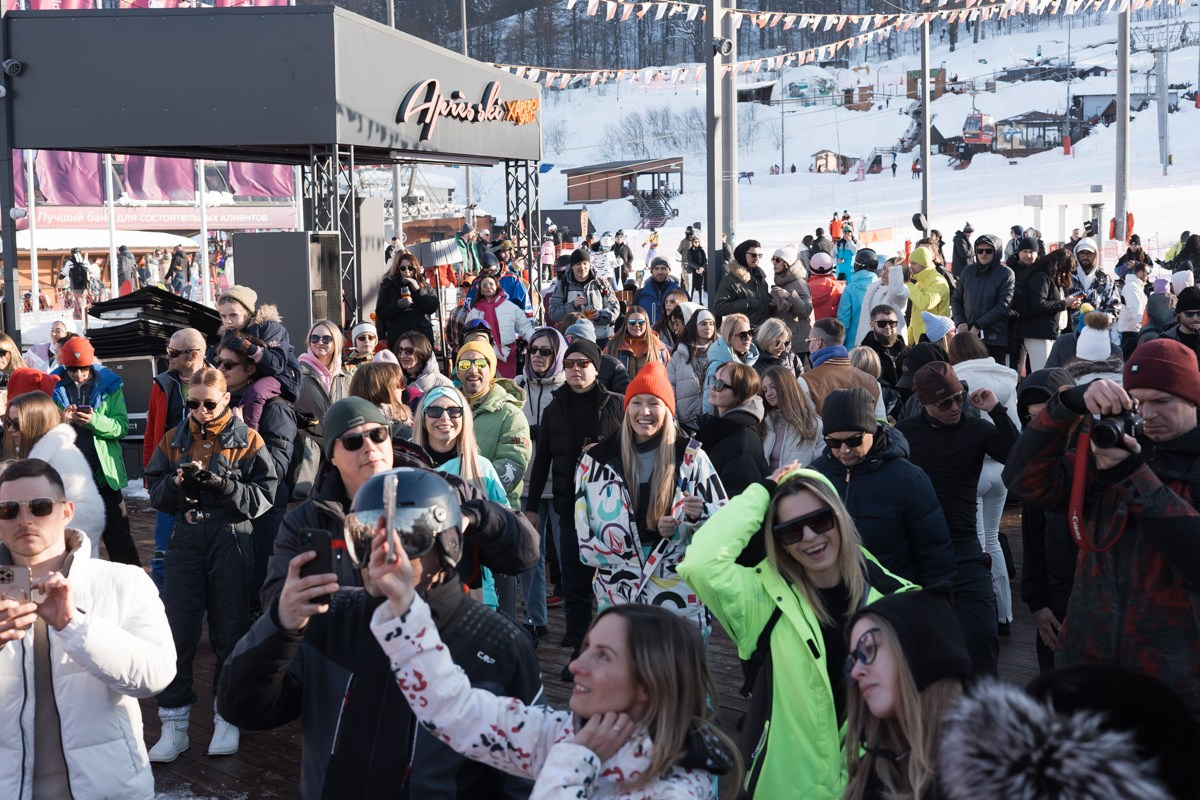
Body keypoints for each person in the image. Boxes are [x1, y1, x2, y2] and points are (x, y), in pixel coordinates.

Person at [370, 520, 741, 798]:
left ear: (650, 682)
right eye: (586, 648)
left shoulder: (675, 789)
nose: (576, 666)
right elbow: (457, 711)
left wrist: (576, 761)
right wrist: (403, 605)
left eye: (603, 656)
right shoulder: (565, 732)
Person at [679, 467, 914, 799]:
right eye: (791, 531)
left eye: (820, 520)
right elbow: (700, 564)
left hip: (870, 785)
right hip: (783, 789)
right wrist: (763, 491)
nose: (809, 537)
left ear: (840, 517)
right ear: (780, 543)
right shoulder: (762, 601)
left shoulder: (897, 601)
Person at [1004, 339, 1200, 716]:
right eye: (1138, 402)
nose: (1148, 414)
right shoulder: (1111, 451)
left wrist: (1132, 476)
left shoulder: (1126, 463)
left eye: (1162, 401)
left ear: (1192, 399)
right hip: (1089, 672)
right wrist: (1066, 405)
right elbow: (1022, 482)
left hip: (1175, 687)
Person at [0, 458, 175, 800]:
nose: (25, 519)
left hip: (108, 788)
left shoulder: (122, 581)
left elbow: (157, 675)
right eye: (8, 510)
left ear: (66, 512)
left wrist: (76, 626)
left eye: (40, 506)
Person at [144, 366, 277, 761]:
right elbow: (154, 489)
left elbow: (264, 496)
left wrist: (223, 485)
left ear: (226, 400)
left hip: (230, 537)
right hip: (185, 538)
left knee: (230, 629)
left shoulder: (248, 439)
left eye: (209, 404)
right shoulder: (174, 437)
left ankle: (226, 715)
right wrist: (176, 484)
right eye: (193, 403)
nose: (200, 411)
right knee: (178, 631)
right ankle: (174, 723)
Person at [575, 361, 727, 637]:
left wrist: (694, 518)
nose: (644, 412)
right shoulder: (596, 461)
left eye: (654, 403)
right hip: (619, 588)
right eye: (637, 402)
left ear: (668, 410)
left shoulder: (692, 458)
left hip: (677, 592)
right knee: (623, 661)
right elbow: (583, 527)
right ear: (627, 408)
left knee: (675, 663)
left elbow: (724, 524)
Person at [896, 363, 1019, 676]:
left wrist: (997, 410)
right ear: (924, 403)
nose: (955, 407)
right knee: (923, 647)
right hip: (918, 550)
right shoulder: (906, 435)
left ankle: (984, 702)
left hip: (964, 547)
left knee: (982, 637)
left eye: (959, 398)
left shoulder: (977, 430)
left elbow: (1016, 456)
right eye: (945, 403)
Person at [524, 338, 624, 676]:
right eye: (570, 364)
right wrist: (533, 506)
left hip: (611, 510)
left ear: (596, 368)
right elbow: (542, 461)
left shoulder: (616, 404)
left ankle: (616, 650)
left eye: (583, 363)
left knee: (613, 584)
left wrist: (603, 449)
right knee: (575, 586)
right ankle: (580, 650)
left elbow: (631, 451)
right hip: (570, 511)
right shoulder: (555, 409)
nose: (576, 369)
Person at [810, 387, 955, 587]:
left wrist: (934, 599)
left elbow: (935, 552)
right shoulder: (814, 476)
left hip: (892, 598)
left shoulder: (908, 479)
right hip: (832, 596)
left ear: (871, 430)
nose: (844, 450)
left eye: (853, 440)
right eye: (833, 442)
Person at [843, 588, 970, 800]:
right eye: (853, 659)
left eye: (869, 649)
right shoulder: (871, 780)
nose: (856, 672)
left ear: (920, 653)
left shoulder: (997, 779)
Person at [948, 333, 1021, 633]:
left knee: (978, 544)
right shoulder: (1007, 377)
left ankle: (986, 613)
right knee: (993, 540)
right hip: (1001, 469)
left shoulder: (957, 379)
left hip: (973, 468)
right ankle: (1005, 614)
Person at [455, 340, 531, 621]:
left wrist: (472, 500)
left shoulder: (509, 414)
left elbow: (514, 464)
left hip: (497, 519)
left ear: (492, 367)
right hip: (455, 521)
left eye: (480, 363)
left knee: (501, 609)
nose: (472, 370)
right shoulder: (449, 408)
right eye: (465, 364)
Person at [49, 336, 140, 567]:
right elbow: (45, 428)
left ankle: (132, 581)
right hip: (69, 477)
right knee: (71, 538)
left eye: (83, 369)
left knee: (119, 538)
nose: (78, 374)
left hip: (103, 474)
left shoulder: (111, 385)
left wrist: (94, 421)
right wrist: (62, 421)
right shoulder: (53, 386)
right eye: (72, 369)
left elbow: (121, 427)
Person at [1013, 367, 1078, 672]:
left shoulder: (1101, 455)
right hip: (1056, 604)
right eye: (1034, 419)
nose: (1045, 426)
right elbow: (1032, 538)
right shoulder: (1037, 470)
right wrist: (1037, 604)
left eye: (1051, 416)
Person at [5, 391, 105, 553]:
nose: (10, 429)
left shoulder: (63, 457)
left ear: (35, 423)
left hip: (60, 560)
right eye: (8, 422)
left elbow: (90, 514)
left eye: (17, 423)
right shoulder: (36, 455)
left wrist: (52, 549)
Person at [515, 326, 567, 642]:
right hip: (526, 483)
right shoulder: (516, 387)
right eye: (532, 349)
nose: (537, 356)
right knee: (531, 555)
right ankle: (535, 618)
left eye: (546, 351)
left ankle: (578, 626)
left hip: (559, 484)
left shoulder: (568, 388)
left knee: (567, 556)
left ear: (557, 354)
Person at [698, 361, 768, 503]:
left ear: (740, 393)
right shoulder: (726, 428)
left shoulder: (741, 441)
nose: (712, 387)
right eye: (714, 380)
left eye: (720, 385)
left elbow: (738, 501)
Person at [951, 233, 1015, 364]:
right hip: (968, 337)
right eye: (980, 250)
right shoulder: (967, 271)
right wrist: (960, 321)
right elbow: (956, 299)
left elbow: (1003, 306)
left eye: (988, 251)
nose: (983, 254)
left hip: (994, 338)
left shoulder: (1006, 273)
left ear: (996, 252)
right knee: (966, 373)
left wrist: (978, 325)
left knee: (992, 375)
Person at [1015, 247, 1081, 373]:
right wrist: (1064, 303)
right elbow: (1038, 305)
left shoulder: (1052, 279)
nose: (1067, 274)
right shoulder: (1041, 277)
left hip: (1051, 333)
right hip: (1039, 334)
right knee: (1043, 374)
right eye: (1066, 270)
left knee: (1050, 374)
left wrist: (1068, 305)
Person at [802, 318, 880, 415]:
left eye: (809, 341)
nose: (808, 345)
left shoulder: (806, 381)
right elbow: (880, 421)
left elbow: (807, 422)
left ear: (818, 342)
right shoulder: (872, 381)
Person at [466, 270, 535, 379]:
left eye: (491, 284)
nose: (488, 287)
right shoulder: (474, 312)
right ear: (481, 291)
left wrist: (536, 341)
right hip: (483, 357)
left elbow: (525, 327)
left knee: (508, 385)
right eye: (484, 285)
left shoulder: (510, 307)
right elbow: (468, 335)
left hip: (508, 354)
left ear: (497, 286)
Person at [549, 249, 620, 347]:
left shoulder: (600, 282)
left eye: (585, 263)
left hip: (599, 339)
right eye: (578, 264)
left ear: (589, 264)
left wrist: (600, 315)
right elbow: (553, 313)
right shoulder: (564, 284)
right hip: (573, 340)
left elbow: (614, 307)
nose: (582, 267)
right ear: (572, 266)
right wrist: (573, 306)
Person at [668, 305, 719, 432]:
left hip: (714, 420)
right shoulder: (679, 354)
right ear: (694, 326)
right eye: (703, 324)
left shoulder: (721, 352)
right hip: (686, 423)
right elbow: (670, 387)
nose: (708, 327)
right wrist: (674, 420)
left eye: (711, 324)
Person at [762, 365, 822, 470]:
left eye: (773, 386)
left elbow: (821, 465)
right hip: (769, 481)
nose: (768, 393)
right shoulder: (765, 423)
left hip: (800, 480)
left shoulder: (814, 424)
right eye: (765, 390)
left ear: (787, 385)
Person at [377, 251, 440, 349]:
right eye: (403, 268)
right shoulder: (389, 285)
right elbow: (381, 313)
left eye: (410, 268)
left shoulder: (425, 285)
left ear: (416, 269)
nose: (407, 271)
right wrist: (398, 305)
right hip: (399, 337)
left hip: (422, 337)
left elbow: (432, 307)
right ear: (398, 270)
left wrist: (417, 289)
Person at [297, 319, 351, 434]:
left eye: (326, 339)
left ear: (336, 342)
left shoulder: (347, 378)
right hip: (309, 442)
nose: (320, 342)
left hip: (340, 441)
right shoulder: (298, 375)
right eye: (314, 338)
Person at [702, 312, 759, 414]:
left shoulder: (750, 361)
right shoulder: (717, 366)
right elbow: (710, 402)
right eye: (742, 335)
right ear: (729, 336)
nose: (748, 338)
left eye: (750, 333)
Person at [769, 245, 814, 364]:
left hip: (797, 340)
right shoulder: (782, 280)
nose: (774, 262)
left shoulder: (800, 283)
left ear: (787, 263)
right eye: (772, 259)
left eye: (778, 260)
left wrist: (789, 296)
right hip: (785, 337)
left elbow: (806, 311)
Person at [347, 360, 413, 441]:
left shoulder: (344, 432)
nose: (403, 388)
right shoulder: (406, 435)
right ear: (384, 391)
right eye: (400, 384)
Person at [564, 316, 631, 394]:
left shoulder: (613, 366)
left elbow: (626, 395)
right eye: (567, 339)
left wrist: (606, 398)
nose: (568, 343)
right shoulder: (566, 363)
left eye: (570, 339)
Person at [716, 239, 772, 327]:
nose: (757, 258)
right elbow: (720, 307)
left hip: (764, 329)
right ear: (742, 255)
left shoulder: (759, 277)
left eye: (759, 255)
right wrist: (746, 304)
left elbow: (762, 301)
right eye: (753, 255)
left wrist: (772, 301)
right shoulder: (731, 280)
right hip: (744, 331)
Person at [854, 260, 909, 348]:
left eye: (890, 270)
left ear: (898, 273)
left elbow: (896, 292)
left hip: (890, 339)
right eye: (884, 268)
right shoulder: (874, 287)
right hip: (871, 338)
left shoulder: (902, 290)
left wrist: (896, 268)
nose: (885, 272)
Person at [606, 305, 669, 381]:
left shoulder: (659, 348)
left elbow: (668, 375)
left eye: (641, 322)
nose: (636, 325)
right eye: (632, 322)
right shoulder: (613, 346)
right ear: (626, 324)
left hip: (650, 388)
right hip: (622, 388)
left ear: (647, 323)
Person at [1069, 237, 1120, 329]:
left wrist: (1099, 320)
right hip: (1071, 331)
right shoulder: (1068, 277)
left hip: (1098, 331)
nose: (1085, 257)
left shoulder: (1105, 279)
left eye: (1089, 253)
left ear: (1095, 255)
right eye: (1082, 253)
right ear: (1076, 255)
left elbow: (1115, 307)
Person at [906, 246, 952, 346]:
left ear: (924, 263)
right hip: (921, 342)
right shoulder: (918, 284)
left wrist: (907, 283)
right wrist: (908, 342)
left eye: (913, 263)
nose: (910, 266)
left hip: (936, 341)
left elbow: (925, 304)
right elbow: (914, 319)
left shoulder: (938, 281)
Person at [858, 304, 909, 391]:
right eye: (882, 323)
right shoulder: (864, 355)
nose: (888, 327)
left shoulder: (907, 351)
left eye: (892, 323)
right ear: (872, 324)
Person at [395, 331, 454, 398]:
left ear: (422, 352)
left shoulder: (443, 385)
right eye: (400, 350)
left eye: (408, 351)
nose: (402, 355)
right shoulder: (394, 383)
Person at [837, 249, 879, 342]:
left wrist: (840, 343)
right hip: (877, 342)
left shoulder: (850, 289)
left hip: (854, 342)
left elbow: (843, 320)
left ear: (856, 266)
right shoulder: (880, 287)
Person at [634, 257, 681, 326]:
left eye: (663, 268)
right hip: (647, 332)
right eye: (656, 268)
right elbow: (633, 317)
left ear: (669, 270)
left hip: (672, 332)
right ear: (651, 271)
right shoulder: (640, 294)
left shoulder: (680, 293)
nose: (660, 272)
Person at [1119, 260, 1151, 358]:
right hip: (1131, 332)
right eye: (1147, 273)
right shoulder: (1132, 287)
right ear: (1140, 273)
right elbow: (1135, 311)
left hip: (1134, 329)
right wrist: (1146, 325)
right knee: (1129, 362)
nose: (1148, 276)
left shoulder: (1137, 287)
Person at [808, 251, 844, 322]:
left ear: (811, 268)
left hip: (811, 327)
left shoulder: (804, 288)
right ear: (831, 267)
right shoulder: (839, 288)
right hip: (832, 326)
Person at [685, 232, 707, 301]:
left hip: (700, 270)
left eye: (698, 242)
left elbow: (705, 260)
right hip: (692, 270)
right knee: (692, 286)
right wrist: (697, 267)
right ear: (692, 242)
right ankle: (690, 299)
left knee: (700, 286)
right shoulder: (689, 251)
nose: (697, 243)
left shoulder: (702, 250)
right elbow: (689, 261)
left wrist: (702, 267)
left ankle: (701, 300)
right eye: (695, 242)